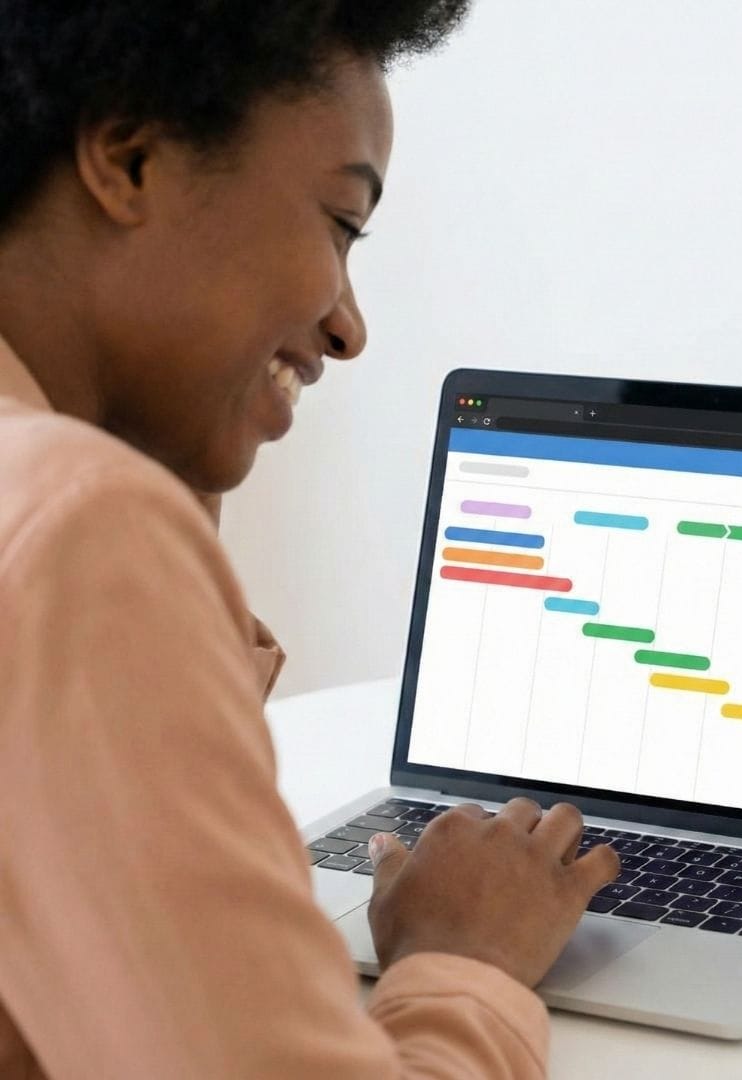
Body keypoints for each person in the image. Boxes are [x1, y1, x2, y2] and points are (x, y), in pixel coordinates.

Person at [0, 4, 620, 1077]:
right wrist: (466, 961)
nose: (349, 325)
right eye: (340, 222)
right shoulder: (74, 523)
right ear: (130, 157)